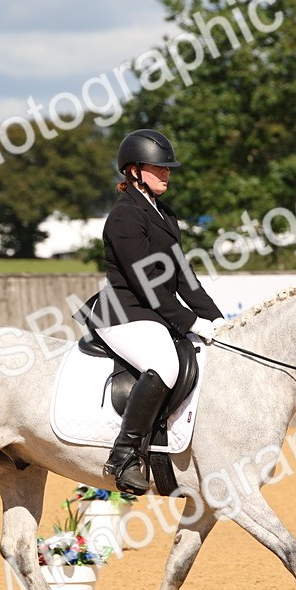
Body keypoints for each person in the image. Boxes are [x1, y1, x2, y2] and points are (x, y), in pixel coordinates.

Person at [75, 129, 226, 495]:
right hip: (124, 313)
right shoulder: (125, 217)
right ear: (133, 170)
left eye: (168, 168)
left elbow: (185, 278)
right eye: (158, 168)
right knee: (166, 364)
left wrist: (219, 321)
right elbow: (146, 283)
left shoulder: (164, 214)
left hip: (153, 314)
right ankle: (124, 455)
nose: (166, 173)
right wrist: (190, 321)